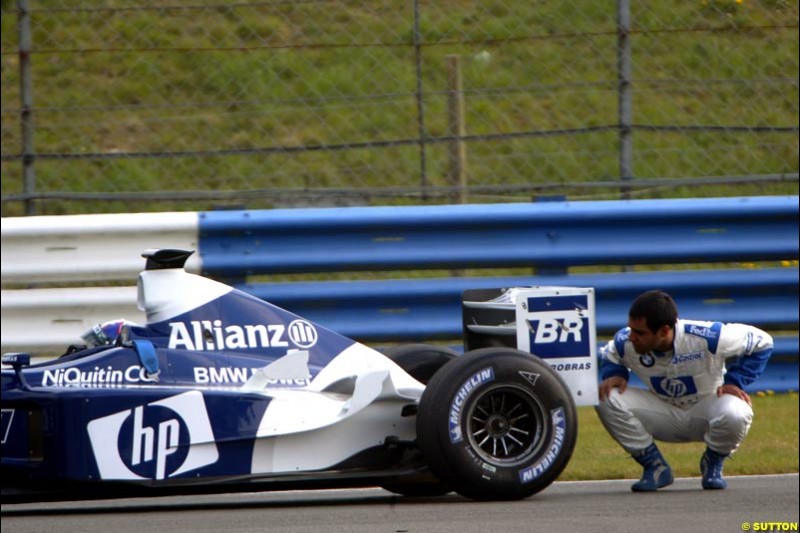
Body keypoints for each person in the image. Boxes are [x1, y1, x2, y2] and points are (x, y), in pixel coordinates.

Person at [595, 290, 773, 492]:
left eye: (640, 333)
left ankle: (713, 463)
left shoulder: (709, 336)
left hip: (707, 409)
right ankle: (655, 467)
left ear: (663, 331)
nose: (632, 337)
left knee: (737, 412)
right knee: (605, 396)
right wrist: (616, 373)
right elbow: (609, 354)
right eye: (631, 329)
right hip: (663, 411)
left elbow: (763, 341)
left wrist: (735, 381)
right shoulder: (624, 342)